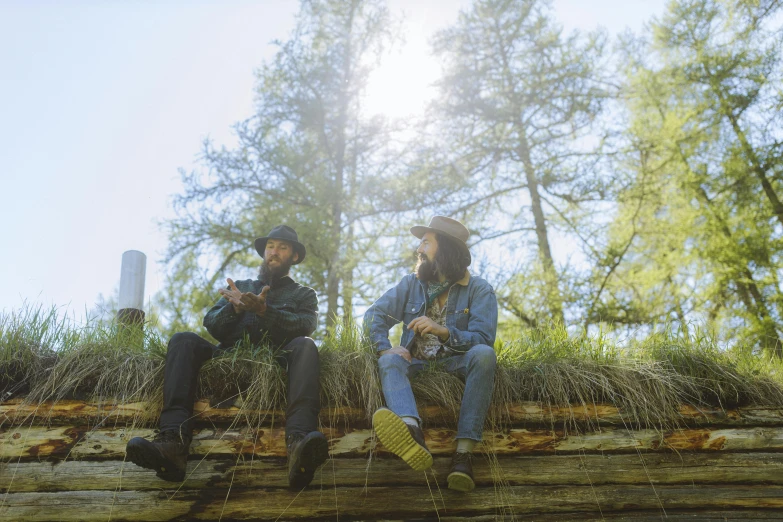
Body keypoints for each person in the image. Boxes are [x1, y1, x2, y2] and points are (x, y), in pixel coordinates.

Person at [126, 225, 327, 490]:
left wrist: (266, 311)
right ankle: (172, 443)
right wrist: (233, 308)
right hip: (225, 359)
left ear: (295, 256)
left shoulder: (304, 294)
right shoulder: (240, 287)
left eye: (282, 247)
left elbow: (305, 324)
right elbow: (211, 322)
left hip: (277, 361)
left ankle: (299, 443)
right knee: (182, 340)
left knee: (306, 345)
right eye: (270, 246)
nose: (274, 252)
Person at [365, 216, 498, 492]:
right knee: (389, 359)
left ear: (445, 248)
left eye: (426, 242)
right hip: (415, 365)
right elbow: (373, 315)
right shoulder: (411, 284)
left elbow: (483, 338)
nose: (419, 249)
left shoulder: (479, 289)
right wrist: (384, 346)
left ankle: (463, 455)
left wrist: (444, 331)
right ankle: (411, 431)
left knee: (484, 354)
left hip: (455, 364)